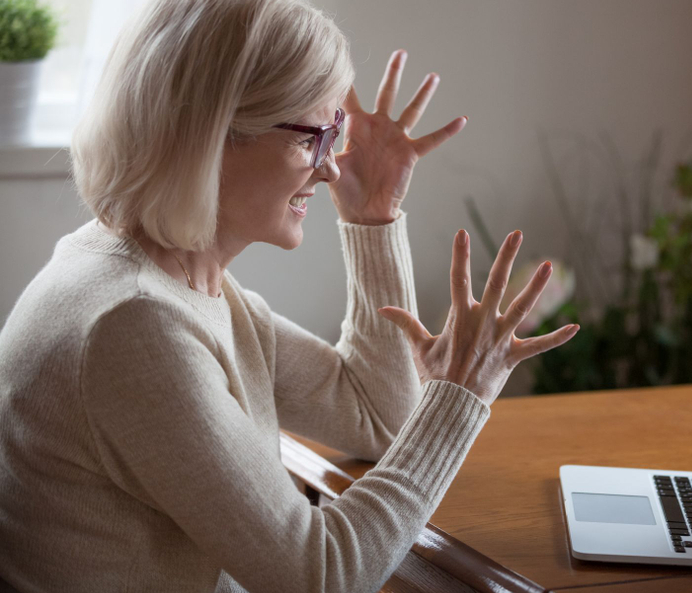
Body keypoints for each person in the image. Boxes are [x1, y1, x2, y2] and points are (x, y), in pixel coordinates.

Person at [0, 0, 579, 591]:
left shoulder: (171, 282)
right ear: (213, 136)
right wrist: (459, 395)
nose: (331, 169)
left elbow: (378, 417)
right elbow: (319, 575)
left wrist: (373, 219)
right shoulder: (134, 325)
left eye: (337, 133)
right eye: (314, 137)